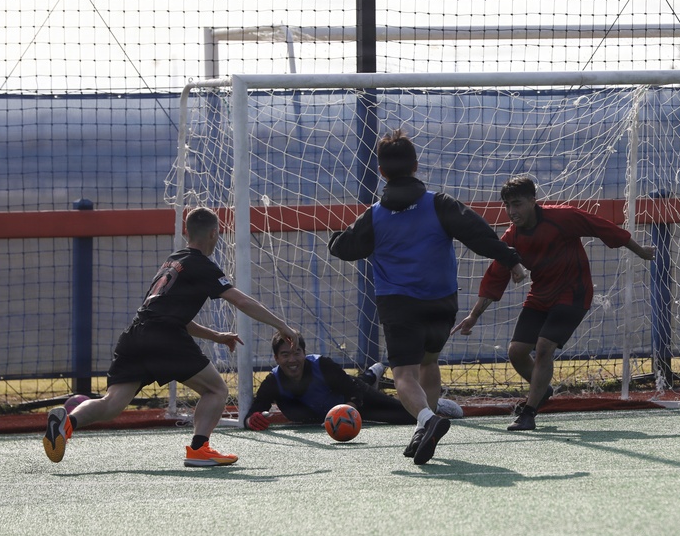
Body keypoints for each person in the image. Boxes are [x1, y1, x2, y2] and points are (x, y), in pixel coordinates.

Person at [42, 206, 299, 468]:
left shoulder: (172, 261)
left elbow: (168, 313)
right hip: (165, 337)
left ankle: (66, 422)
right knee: (216, 389)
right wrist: (283, 327)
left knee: (112, 404)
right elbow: (241, 301)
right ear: (214, 233)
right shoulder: (203, 265)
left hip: (135, 335)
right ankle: (199, 449)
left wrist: (215, 335)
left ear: (187, 232)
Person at [328, 129, 526, 464]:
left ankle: (426, 420)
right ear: (416, 165)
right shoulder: (439, 204)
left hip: (400, 305)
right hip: (442, 304)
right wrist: (512, 260)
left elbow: (345, 249)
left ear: (381, 171)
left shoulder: (374, 216)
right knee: (429, 362)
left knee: (404, 374)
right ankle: (426, 429)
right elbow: (478, 235)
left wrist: (336, 238)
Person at [452, 175, 656, 431]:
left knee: (544, 346)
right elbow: (495, 276)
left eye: (517, 204)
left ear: (532, 201)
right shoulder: (511, 237)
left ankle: (529, 412)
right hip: (540, 297)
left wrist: (641, 252)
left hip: (574, 294)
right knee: (516, 352)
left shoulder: (563, 217)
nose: (512, 212)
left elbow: (604, 227)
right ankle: (542, 389)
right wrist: (473, 316)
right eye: (507, 205)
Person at [242, 332, 464, 430]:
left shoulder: (322, 365)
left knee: (408, 417)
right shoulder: (273, 381)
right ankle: (370, 375)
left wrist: (349, 409)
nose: (292, 360)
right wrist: (252, 421)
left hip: (355, 403)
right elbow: (254, 411)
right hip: (327, 416)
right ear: (276, 358)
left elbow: (352, 390)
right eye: (285, 355)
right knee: (365, 384)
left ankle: (435, 405)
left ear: (304, 352)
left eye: (296, 352)